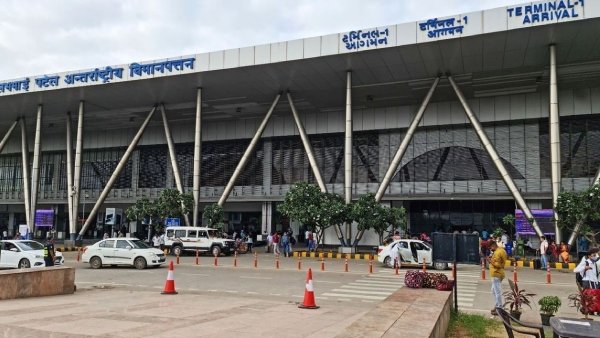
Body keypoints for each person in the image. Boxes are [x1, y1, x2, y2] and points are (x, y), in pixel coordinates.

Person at [488, 240, 507, 316]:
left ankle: (499, 308)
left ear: (493, 245)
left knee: (497, 292)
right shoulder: (501, 250)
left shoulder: (498, 252)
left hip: (497, 274)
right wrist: (492, 258)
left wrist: (490, 261)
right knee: (493, 290)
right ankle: (497, 306)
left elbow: (498, 264)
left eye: (490, 247)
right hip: (497, 273)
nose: (490, 249)